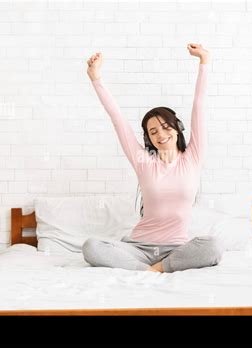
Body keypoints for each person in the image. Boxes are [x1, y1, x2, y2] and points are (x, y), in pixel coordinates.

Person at [82, 43, 223, 273]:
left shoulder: (193, 158)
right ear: (148, 138)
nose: (161, 135)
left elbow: (199, 106)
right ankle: (151, 269)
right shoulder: (143, 162)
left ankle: (157, 267)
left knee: (214, 247)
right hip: (138, 247)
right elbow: (117, 118)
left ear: (177, 129)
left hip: (176, 249)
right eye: (153, 131)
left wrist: (204, 62)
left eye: (165, 127)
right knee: (91, 246)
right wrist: (96, 78)